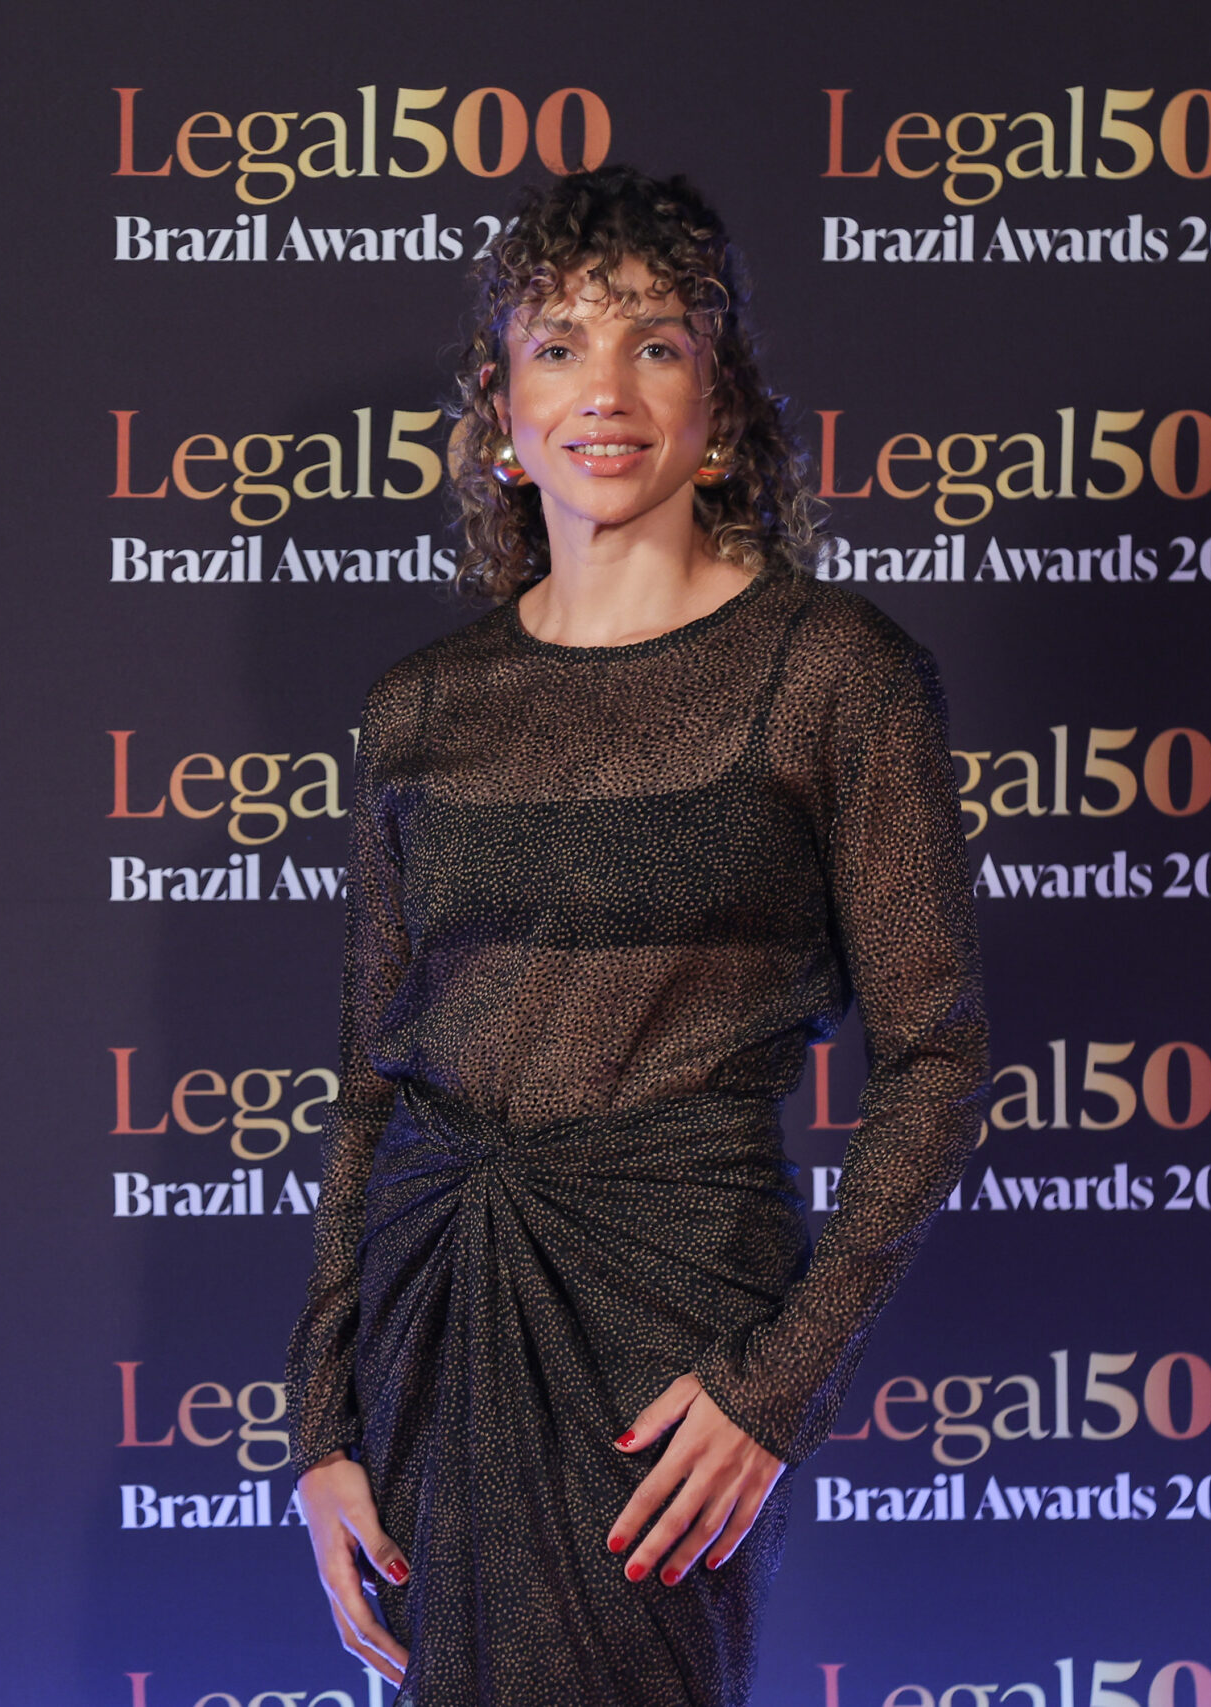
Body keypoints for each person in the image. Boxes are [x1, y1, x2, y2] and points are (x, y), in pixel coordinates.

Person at [285, 166, 988, 1707]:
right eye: (560, 345)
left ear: (718, 403)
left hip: (672, 1336)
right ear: (502, 410)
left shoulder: (832, 674)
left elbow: (938, 1057)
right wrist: (323, 1423)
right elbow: (370, 1078)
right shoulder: (422, 706)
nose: (605, 389)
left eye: (654, 343)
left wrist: (777, 1387)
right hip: (433, 1305)